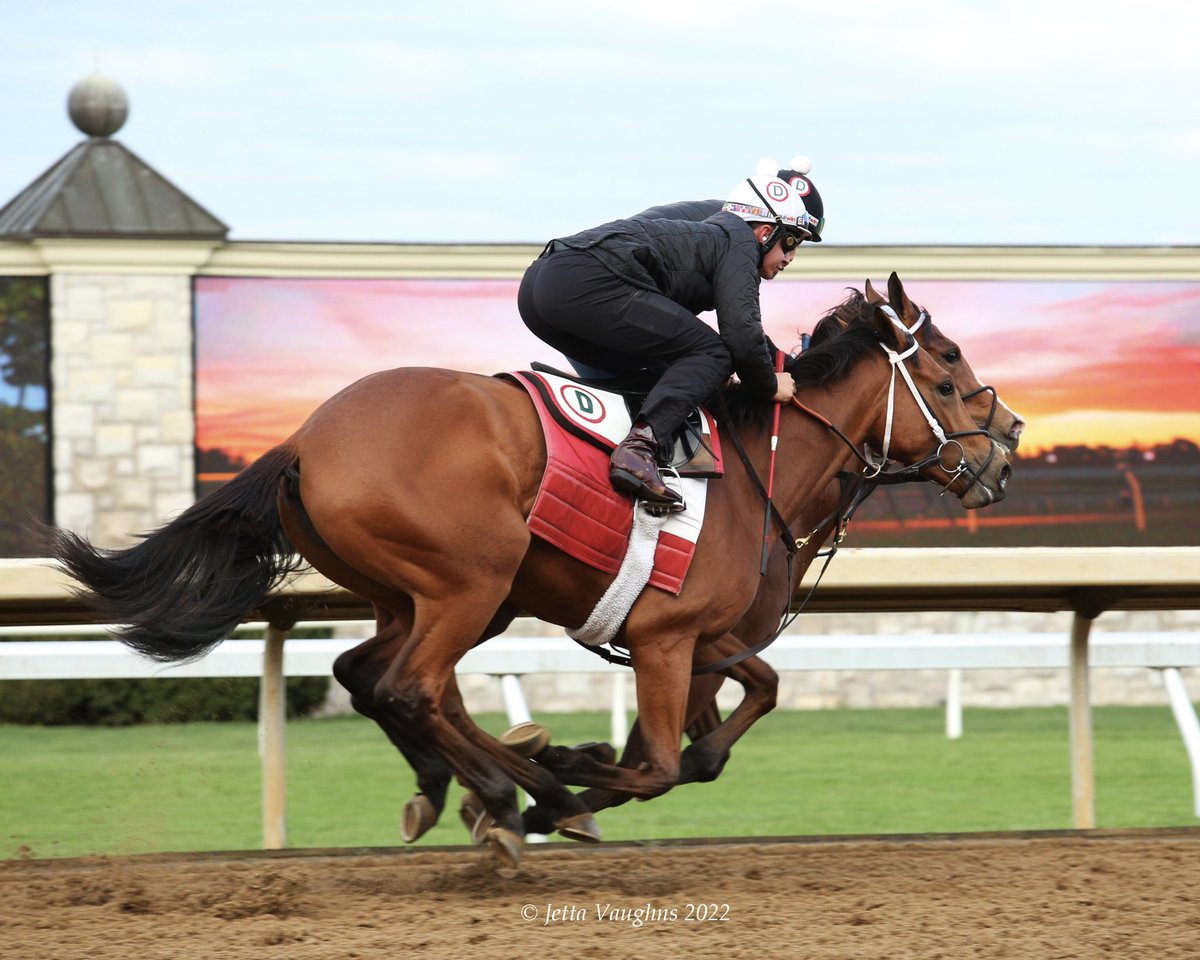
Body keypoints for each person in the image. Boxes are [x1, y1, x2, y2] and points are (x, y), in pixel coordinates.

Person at [518, 170, 817, 507]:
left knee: (670, 367)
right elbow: (740, 335)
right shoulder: (740, 244)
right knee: (714, 355)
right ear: (765, 231)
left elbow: (744, 331)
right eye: (791, 242)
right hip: (580, 282)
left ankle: (606, 461)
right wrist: (766, 385)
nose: (790, 258)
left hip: (538, 289)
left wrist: (786, 363)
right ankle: (637, 451)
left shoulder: (717, 235)